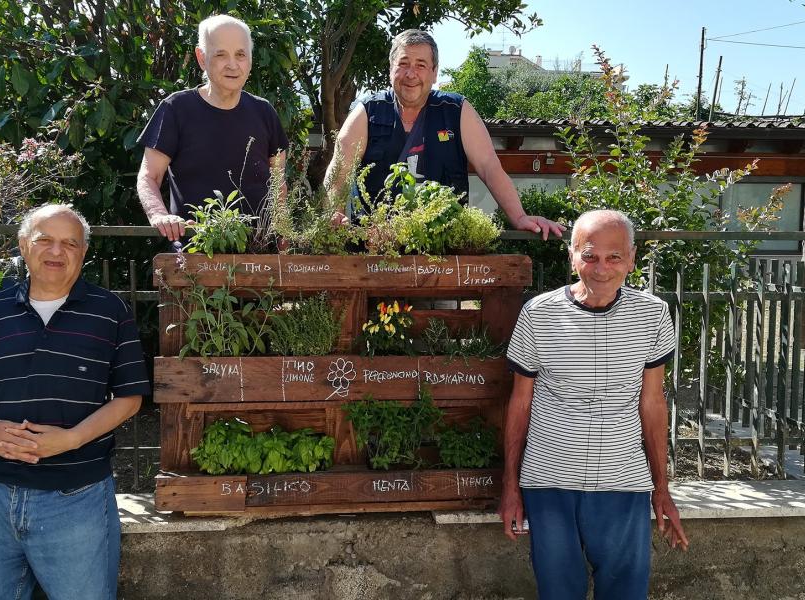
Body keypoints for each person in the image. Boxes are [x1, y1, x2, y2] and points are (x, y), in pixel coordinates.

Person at [0, 204, 150, 600]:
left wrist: (72, 438)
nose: (56, 251)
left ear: (83, 253)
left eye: (69, 243)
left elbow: (130, 396)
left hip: (74, 496)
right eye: (45, 240)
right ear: (25, 246)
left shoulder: (110, 312)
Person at [498, 209, 688, 600]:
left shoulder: (653, 315)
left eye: (614, 257)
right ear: (572, 256)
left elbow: (652, 403)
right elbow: (520, 403)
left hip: (623, 483)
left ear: (632, 259)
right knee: (558, 593)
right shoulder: (538, 314)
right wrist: (510, 487)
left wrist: (661, 488)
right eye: (590, 255)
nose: (601, 268)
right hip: (549, 482)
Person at [324, 29, 564, 240]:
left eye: (421, 65)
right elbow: (339, 171)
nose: (411, 74)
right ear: (391, 70)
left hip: (443, 246)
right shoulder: (367, 111)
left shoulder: (457, 110)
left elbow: (489, 166)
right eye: (403, 63)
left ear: (434, 72)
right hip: (373, 246)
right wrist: (332, 214)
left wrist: (519, 217)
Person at [137, 14, 289, 241]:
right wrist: (160, 215)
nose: (232, 65)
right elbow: (149, 176)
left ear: (250, 60)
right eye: (220, 55)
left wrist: (284, 238)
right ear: (201, 57)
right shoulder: (176, 109)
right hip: (196, 255)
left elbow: (279, 185)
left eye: (240, 55)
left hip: (260, 257)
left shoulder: (264, 112)